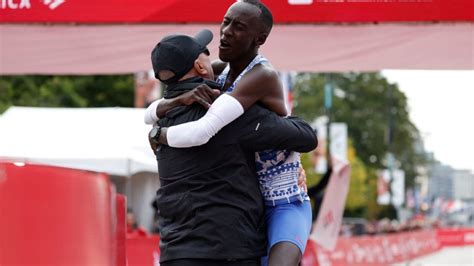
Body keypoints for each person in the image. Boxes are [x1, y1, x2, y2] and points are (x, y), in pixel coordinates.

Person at [146, 1, 312, 265]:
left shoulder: (262, 74)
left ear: (260, 38)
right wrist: (178, 100)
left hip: (284, 201)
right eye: (225, 21)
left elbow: (203, 130)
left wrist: (158, 135)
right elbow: (161, 103)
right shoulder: (219, 72)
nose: (226, 31)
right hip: (253, 204)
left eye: (238, 26)